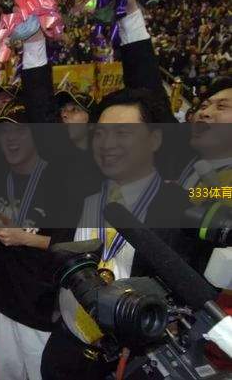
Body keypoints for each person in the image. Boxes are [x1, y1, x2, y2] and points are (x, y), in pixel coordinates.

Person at [41, 88, 200, 380]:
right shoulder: (81, 196)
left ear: (154, 139)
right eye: (100, 134)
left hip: (135, 364)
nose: (107, 144)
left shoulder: (182, 210)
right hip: (67, 352)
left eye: (122, 133)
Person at [0, 103, 77, 380]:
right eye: (4, 133)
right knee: (3, 373)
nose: (11, 139)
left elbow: (70, 243)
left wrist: (24, 238)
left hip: (38, 306)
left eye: (20, 132)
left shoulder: (59, 180)